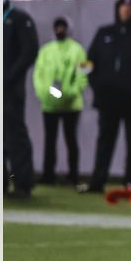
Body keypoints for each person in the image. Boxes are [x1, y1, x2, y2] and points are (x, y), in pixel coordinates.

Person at [83, 0, 131, 192]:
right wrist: (97, 85)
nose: (125, 11)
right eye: (122, 8)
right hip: (108, 99)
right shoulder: (104, 33)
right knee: (104, 141)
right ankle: (98, 180)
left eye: (130, 8)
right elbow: (88, 63)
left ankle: (130, 182)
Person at [32, 17, 88, 185]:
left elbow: (83, 74)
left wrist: (70, 93)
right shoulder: (46, 51)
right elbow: (38, 76)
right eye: (57, 27)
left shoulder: (78, 50)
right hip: (50, 104)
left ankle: (73, 175)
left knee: (71, 140)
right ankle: (48, 174)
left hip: (71, 105)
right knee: (50, 141)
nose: (60, 30)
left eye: (63, 27)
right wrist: (45, 94)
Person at [4, 0, 38, 198]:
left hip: (11, 90)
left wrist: (9, 77)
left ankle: (22, 183)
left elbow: (29, 51)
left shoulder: (19, 19)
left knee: (15, 136)